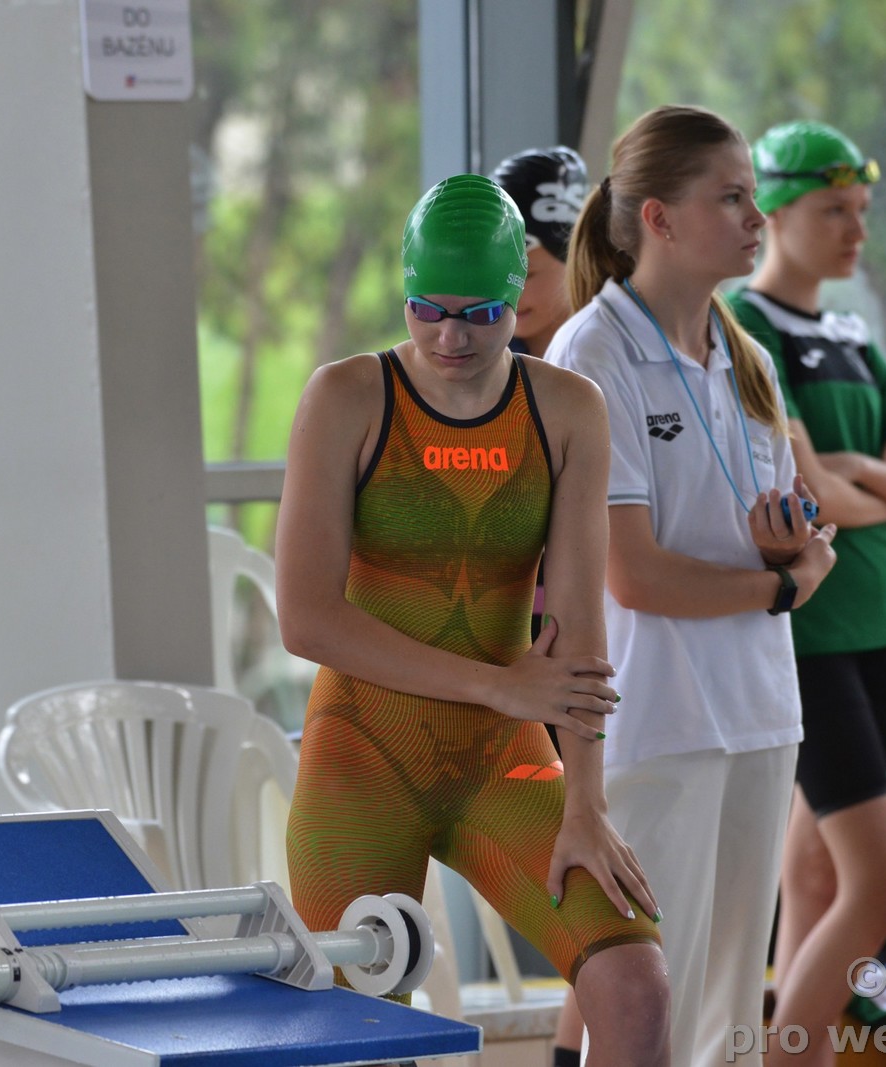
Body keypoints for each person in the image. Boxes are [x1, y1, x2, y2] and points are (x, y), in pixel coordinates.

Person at [277, 173, 669, 1067]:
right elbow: (306, 619)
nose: (450, 337)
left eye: (481, 315)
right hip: (361, 758)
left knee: (635, 985)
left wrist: (587, 801)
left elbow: (579, 626)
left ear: (519, 298)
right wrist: (498, 685)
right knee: (361, 1041)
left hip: (503, 761)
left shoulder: (566, 408)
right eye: (429, 310)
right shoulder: (347, 398)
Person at [547, 104, 839, 1067]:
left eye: (754, 197)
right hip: (660, 719)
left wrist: (791, 554)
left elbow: (801, 538)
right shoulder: (593, 353)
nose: (758, 218)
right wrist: (781, 586)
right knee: (648, 1016)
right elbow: (634, 574)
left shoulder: (746, 357)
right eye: (733, 198)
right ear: (660, 218)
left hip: (759, 712)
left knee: (731, 1021)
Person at [726, 120, 886, 1067]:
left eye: (862, 210)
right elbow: (809, 491)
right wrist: (867, 483)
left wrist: (856, 471)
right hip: (814, 631)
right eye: (834, 210)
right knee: (880, 884)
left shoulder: (853, 337)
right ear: (776, 213)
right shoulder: (746, 329)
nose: (856, 230)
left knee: (819, 874)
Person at [492, 144, 593, 1067]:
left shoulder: (585, 369)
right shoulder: (485, 363)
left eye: (533, 263)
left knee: (602, 900)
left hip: (575, 651)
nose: (516, 287)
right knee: (592, 900)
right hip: (517, 663)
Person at [492, 146, 589, 358]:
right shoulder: (479, 355)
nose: (507, 292)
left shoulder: (609, 345)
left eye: (526, 274)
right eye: (494, 275)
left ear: (574, 263)